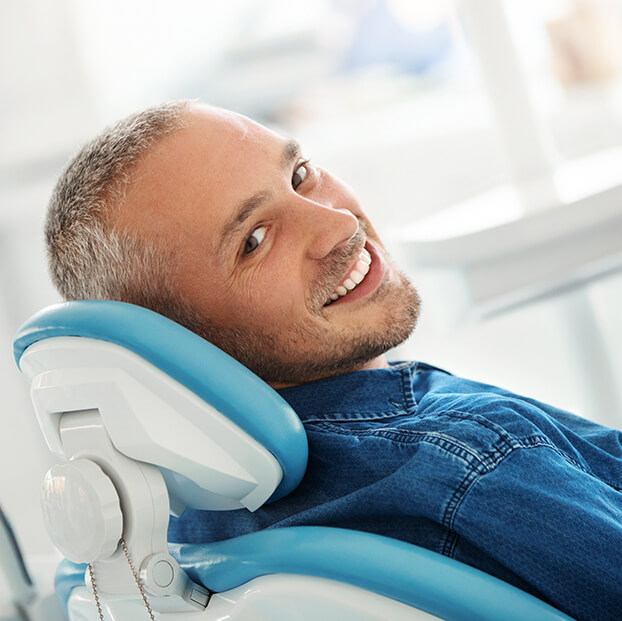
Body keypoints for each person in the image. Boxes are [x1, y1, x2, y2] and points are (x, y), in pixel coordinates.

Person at [46, 101, 622, 621]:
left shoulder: (151, 546)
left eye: (299, 175)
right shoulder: (474, 462)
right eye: (254, 239)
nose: (339, 224)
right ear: (181, 346)